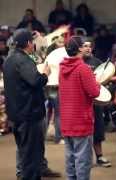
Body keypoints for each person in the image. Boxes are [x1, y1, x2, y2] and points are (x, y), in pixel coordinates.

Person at [3, 29, 50, 180]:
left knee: (25, 154)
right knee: (32, 156)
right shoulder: (23, 60)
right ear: (29, 43)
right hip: (29, 115)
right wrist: (45, 74)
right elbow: (35, 80)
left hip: (17, 115)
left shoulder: (9, 60)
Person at [59, 36, 100, 180]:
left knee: (70, 158)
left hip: (67, 119)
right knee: (83, 161)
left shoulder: (62, 67)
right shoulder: (83, 68)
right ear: (80, 49)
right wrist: (97, 83)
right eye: (83, 45)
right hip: (81, 120)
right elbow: (94, 92)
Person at [82, 39, 112, 167]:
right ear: (80, 48)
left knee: (98, 131)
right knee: (84, 133)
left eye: (90, 46)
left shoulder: (98, 63)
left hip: (96, 103)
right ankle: (85, 159)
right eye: (85, 46)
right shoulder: (77, 63)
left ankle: (99, 157)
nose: (88, 48)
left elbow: (105, 80)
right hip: (82, 104)